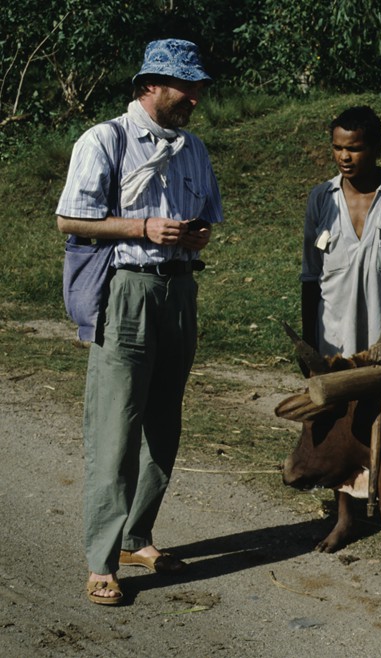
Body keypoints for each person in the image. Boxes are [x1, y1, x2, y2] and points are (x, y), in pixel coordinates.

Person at [55, 39, 223, 605]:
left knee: (163, 423)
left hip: (180, 290)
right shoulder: (105, 140)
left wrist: (196, 236)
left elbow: (207, 217)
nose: (195, 98)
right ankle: (101, 561)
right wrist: (141, 228)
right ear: (151, 85)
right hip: (127, 290)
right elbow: (69, 219)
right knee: (117, 427)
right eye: (186, 88)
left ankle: (136, 537)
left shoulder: (193, 148)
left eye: (198, 88)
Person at [301, 106, 381, 364]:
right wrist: (308, 341)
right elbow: (311, 276)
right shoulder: (321, 199)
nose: (344, 157)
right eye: (337, 148)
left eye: (354, 149)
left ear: (377, 148)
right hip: (333, 345)